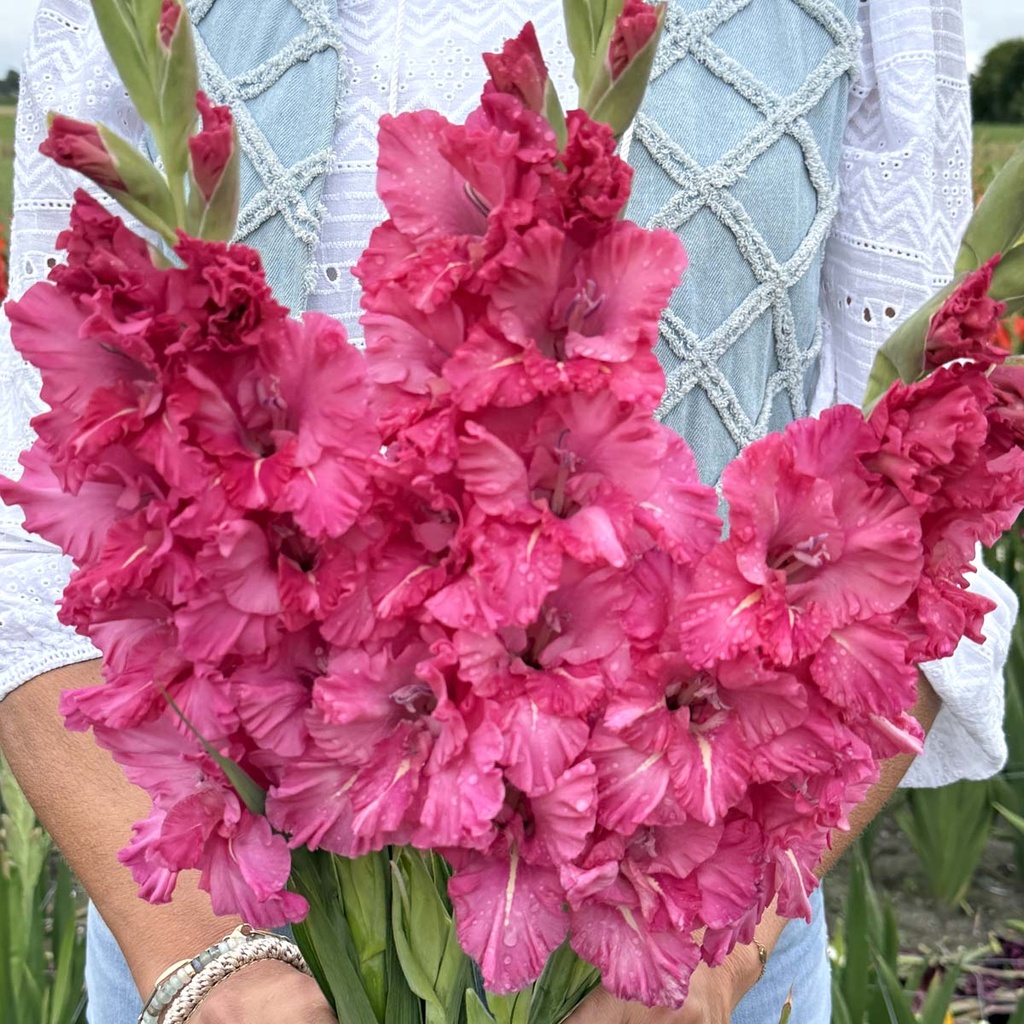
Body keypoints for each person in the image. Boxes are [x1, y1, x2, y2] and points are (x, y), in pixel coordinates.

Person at [0, 0, 1014, 1022]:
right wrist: (208, 969)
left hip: (685, 952)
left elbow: (910, 552)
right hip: (211, 958)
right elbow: (37, 535)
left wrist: (707, 967)